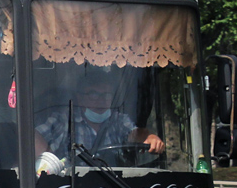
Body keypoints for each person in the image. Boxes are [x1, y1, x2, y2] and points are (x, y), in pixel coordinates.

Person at [35, 67, 165, 160]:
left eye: (106, 95)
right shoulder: (64, 120)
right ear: (80, 98)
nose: (101, 100)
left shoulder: (117, 121)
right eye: (93, 94)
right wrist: (50, 160)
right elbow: (33, 138)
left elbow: (135, 134)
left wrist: (149, 137)